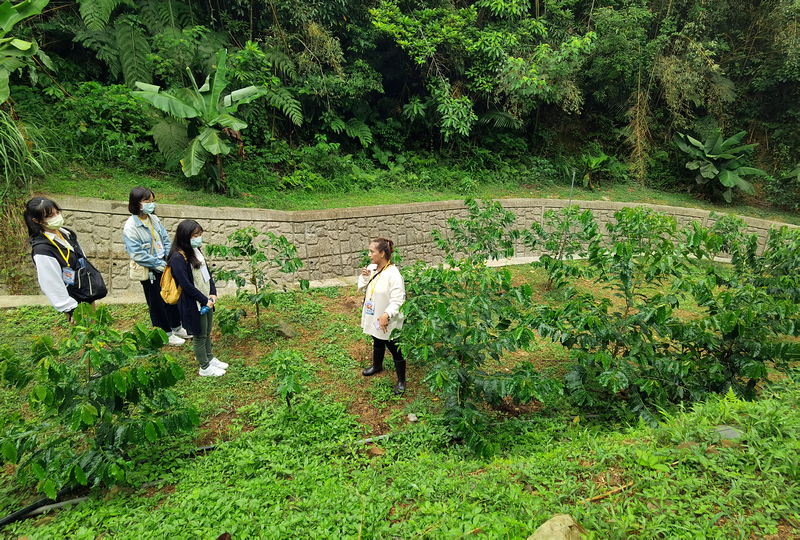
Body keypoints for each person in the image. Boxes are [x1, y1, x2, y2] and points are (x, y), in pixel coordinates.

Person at [123, 187, 188, 346]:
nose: (152, 204)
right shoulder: (131, 227)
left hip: (164, 265)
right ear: (137, 203)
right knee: (157, 303)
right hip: (151, 270)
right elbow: (137, 254)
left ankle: (176, 327)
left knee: (171, 296)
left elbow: (165, 239)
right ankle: (164, 333)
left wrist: (168, 257)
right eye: (147, 201)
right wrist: (159, 264)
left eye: (152, 201)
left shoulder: (153, 219)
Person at [25, 197, 107, 323]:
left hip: (84, 288)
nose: (56, 217)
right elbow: (50, 282)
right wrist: (70, 308)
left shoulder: (65, 233)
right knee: (83, 333)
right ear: (37, 220)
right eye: (50, 215)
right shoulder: (42, 249)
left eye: (57, 212)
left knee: (94, 326)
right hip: (72, 296)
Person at [168, 220, 228, 377]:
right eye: (195, 235)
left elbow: (206, 274)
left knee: (207, 331)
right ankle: (204, 367)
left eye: (200, 234)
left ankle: (210, 358)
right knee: (199, 334)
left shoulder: (196, 250)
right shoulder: (178, 258)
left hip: (206, 299)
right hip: (193, 303)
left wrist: (213, 292)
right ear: (184, 236)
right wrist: (204, 299)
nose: (198, 238)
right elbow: (186, 286)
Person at [358, 238, 407, 394]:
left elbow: (399, 300)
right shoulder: (372, 268)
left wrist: (387, 315)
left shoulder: (393, 275)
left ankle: (401, 381)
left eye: (372, 251)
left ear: (382, 253)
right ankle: (377, 366)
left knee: (394, 347)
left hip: (388, 319)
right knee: (376, 338)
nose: (369, 254)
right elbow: (361, 287)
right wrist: (365, 277)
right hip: (375, 314)